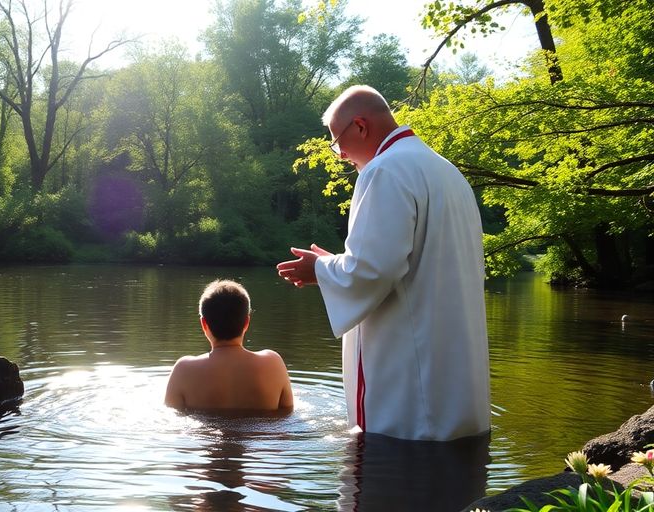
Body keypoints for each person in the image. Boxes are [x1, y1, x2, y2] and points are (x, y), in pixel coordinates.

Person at [276, 85, 490, 441]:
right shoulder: (444, 170)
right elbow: (400, 259)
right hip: (453, 368)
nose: (340, 155)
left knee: (391, 482)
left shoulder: (384, 171)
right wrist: (338, 266)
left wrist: (320, 270)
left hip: (411, 385)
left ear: (360, 126)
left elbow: (373, 271)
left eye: (336, 142)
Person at [164, 280, 294, 412]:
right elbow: (288, 412)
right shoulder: (272, 363)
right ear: (246, 322)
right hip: (261, 432)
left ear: (204, 324)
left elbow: (170, 416)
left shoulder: (184, 369)